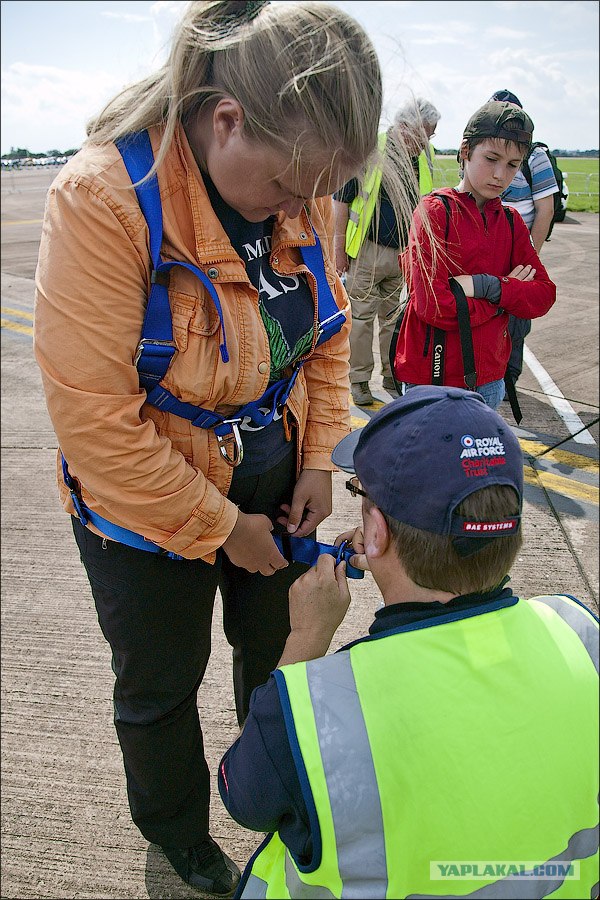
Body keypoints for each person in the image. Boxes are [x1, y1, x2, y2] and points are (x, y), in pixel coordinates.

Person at [33, 2, 414, 894]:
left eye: (317, 192)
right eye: (289, 189)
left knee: (273, 646)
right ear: (226, 120)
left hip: (275, 476)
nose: (302, 209)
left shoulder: (305, 188)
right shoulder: (102, 202)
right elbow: (96, 430)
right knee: (160, 687)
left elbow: (323, 337)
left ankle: (269, 787)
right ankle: (179, 833)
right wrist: (222, 529)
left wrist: (318, 457)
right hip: (146, 512)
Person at [218, 385, 599, 899]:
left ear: (375, 533)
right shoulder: (579, 632)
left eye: (362, 498)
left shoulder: (316, 711)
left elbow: (243, 796)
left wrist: (308, 636)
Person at [392, 100, 556, 412]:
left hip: (491, 380)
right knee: (432, 461)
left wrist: (484, 286)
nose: (500, 175)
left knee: (475, 463)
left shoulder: (511, 222)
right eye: (491, 158)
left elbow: (544, 295)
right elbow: (432, 304)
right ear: (465, 151)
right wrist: (505, 298)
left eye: (512, 165)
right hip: (433, 378)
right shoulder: (434, 211)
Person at [333, 97, 441, 406]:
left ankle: (394, 375)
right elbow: (340, 203)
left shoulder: (424, 156)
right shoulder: (369, 149)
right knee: (363, 319)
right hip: (367, 251)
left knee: (394, 319)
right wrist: (338, 252)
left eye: (431, 136)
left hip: (405, 253)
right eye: (425, 135)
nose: (428, 143)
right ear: (406, 128)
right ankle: (359, 381)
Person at [490, 89, 560, 390]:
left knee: (516, 320)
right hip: (489, 253)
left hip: (518, 253)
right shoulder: (484, 149)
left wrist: (529, 255)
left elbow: (546, 210)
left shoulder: (535, 157)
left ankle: (508, 379)